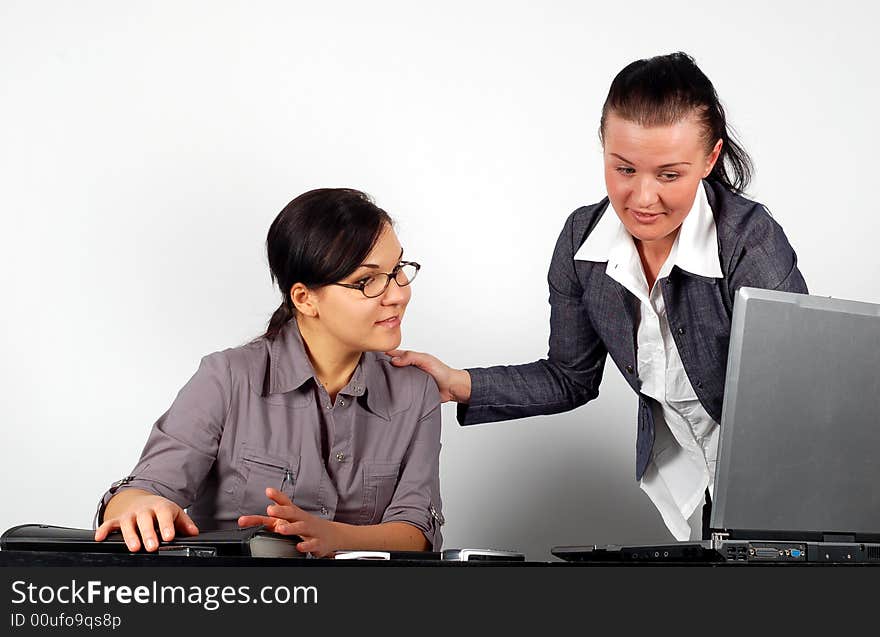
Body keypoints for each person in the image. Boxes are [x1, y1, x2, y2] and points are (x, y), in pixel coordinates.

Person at [388, 52, 807, 542]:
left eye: (669, 175)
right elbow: (571, 376)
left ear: (710, 159)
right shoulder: (582, 243)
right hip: (708, 484)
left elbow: (792, 399)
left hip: (784, 478)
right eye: (624, 169)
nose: (642, 198)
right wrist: (457, 382)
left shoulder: (748, 240)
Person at [94, 188, 444, 556]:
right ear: (304, 299)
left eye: (398, 270)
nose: (398, 295)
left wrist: (332, 536)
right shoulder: (228, 378)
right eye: (367, 281)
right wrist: (138, 506)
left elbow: (416, 532)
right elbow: (142, 489)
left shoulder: (415, 391)